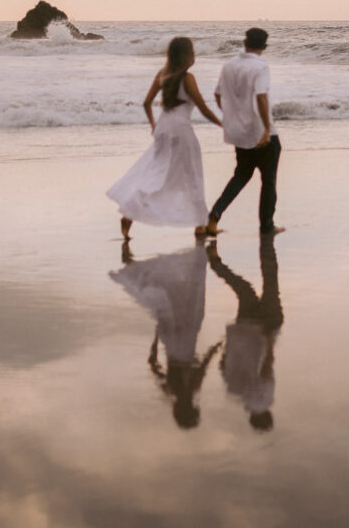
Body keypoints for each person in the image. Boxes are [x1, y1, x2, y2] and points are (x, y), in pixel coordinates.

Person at [107, 36, 222, 239]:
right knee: (192, 173)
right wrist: (222, 124)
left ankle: (129, 213)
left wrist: (153, 125)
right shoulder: (188, 78)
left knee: (156, 172)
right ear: (187, 55)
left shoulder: (163, 74)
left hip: (163, 126)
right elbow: (202, 108)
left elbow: (146, 103)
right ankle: (200, 224)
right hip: (180, 128)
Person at [110, 240, 221, 429]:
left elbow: (203, 364)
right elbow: (153, 363)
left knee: (187, 300)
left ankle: (175, 276)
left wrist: (217, 347)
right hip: (172, 341)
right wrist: (156, 339)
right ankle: (168, 280)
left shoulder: (186, 389)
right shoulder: (171, 391)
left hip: (185, 339)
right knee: (177, 304)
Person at [205, 27, 283, 236]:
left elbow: (217, 94)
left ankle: (215, 213)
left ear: (244, 42)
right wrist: (266, 128)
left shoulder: (229, 65)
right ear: (265, 46)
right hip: (260, 132)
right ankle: (267, 226)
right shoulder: (260, 66)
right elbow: (261, 96)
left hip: (240, 133)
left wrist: (233, 117)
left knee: (240, 175)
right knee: (268, 181)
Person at [207, 237, 283, 431]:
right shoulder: (235, 392)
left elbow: (266, 367)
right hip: (243, 331)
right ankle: (215, 263)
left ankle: (216, 262)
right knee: (243, 290)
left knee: (269, 283)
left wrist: (268, 339)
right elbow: (222, 366)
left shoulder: (264, 398)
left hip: (263, 329)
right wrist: (228, 347)